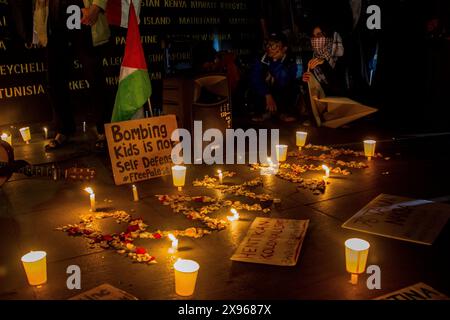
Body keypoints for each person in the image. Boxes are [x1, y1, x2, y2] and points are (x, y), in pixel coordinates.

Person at [33, 0, 111, 151]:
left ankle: (104, 131)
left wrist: (96, 7)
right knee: (55, 79)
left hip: (82, 14)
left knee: (95, 77)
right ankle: (64, 129)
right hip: (55, 18)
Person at [249, 32, 299, 122]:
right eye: (268, 44)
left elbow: (283, 80)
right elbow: (255, 78)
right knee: (256, 84)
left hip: (281, 93)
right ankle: (264, 112)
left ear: (284, 48)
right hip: (266, 95)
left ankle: (283, 112)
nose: (269, 48)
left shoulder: (290, 61)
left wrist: (276, 62)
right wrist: (267, 95)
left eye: (274, 45)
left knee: (292, 86)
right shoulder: (261, 58)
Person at [302, 24, 345, 96]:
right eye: (313, 36)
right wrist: (306, 80)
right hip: (325, 102)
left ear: (327, 35)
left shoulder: (338, 54)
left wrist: (324, 64)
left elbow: (339, 85)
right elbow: (313, 89)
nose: (316, 39)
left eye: (319, 35)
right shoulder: (312, 58)